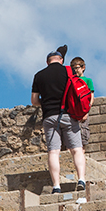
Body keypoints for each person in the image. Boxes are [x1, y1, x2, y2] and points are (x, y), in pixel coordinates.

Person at [30, 46, 86, 196]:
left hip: (49, 117)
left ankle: (56, 186)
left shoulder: (39, 75)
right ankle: (81, 179)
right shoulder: (69, 71)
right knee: (76, 149)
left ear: (47, 62)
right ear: (61, 60)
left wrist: (47, 103)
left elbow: (34, 100)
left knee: (53, 152)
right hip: (68, 115)